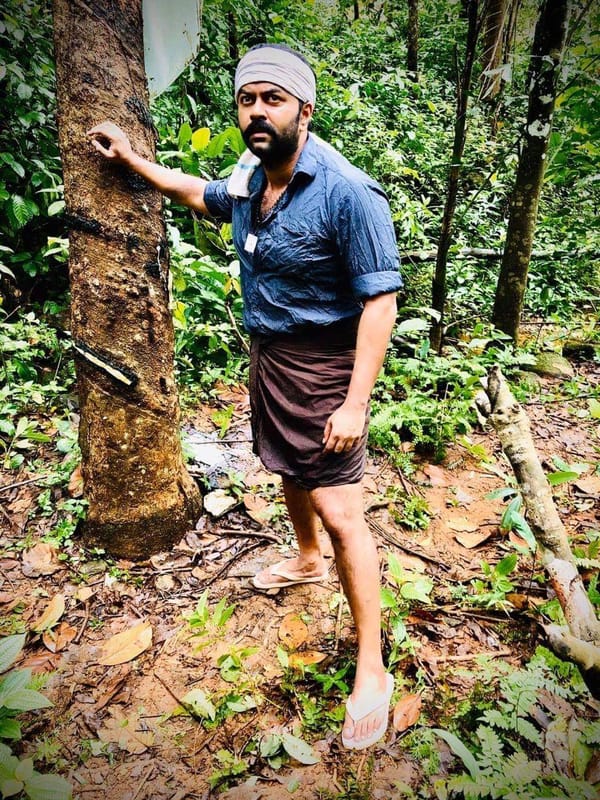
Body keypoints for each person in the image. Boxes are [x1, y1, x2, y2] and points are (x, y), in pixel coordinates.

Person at [87, 43, 402, 750]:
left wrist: (354, 403)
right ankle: (306, 559)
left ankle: (372, 666)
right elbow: (197, 193)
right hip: (270, 356)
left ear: (304, 109)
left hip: (325, 367)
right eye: (247, 99)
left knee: (341, 509)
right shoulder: (250, 175)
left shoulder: (348, 192)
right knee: (285, 466)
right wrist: (132, 161)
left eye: (273, 99)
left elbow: (380, 302)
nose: (257, 112)